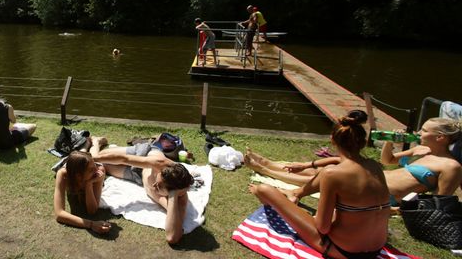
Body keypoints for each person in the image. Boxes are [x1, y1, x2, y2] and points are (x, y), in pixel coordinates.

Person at [248, 110, 390, 258]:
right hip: (376, 249)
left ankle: (266, 193)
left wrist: (315, 216)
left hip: (344, 251)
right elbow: (341, 161)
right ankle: (296, 193)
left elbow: (322, 228)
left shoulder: (332, 174)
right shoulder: (375, 167)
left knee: (264, 189)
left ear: (333, 140)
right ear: (362, 142)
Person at [246, 117, 462, 205]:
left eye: (423, 130)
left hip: (384, 194)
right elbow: (387, 161)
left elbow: (439, 203)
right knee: (329, 168)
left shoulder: (451, 166)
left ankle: (266, 168)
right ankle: (270, 164)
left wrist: (398, 209)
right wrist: (392, 141)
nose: (418, 132)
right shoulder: (422, 149)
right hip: (377, 177)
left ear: (440, 138)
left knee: (326, 175)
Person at [93, 137, 195, 244]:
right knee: (100, 156)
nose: (154, 185)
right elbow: (124, 159)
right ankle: (97, 141)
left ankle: (113, 149)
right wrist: (93, 158)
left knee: (102, 167)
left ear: (171, 192)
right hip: (144, 155)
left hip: (137, 176)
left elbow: (172, 237)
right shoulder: (160, 164)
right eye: (157, 180)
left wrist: (173, 196)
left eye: (158, 186)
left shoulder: (179, 200)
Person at [53, 137, 112, 234]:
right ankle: (87, 143)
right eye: (91, 170)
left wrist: (89, 184)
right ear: (79, 176)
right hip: (72, 165)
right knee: (79, 154)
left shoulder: (99, 170)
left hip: (81, 164)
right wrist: (91, 224)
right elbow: (59, 214)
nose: (96, 171)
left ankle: (96, 142)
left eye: (94, 167)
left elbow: (92, 211)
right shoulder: (63, 175)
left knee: (88, 154)